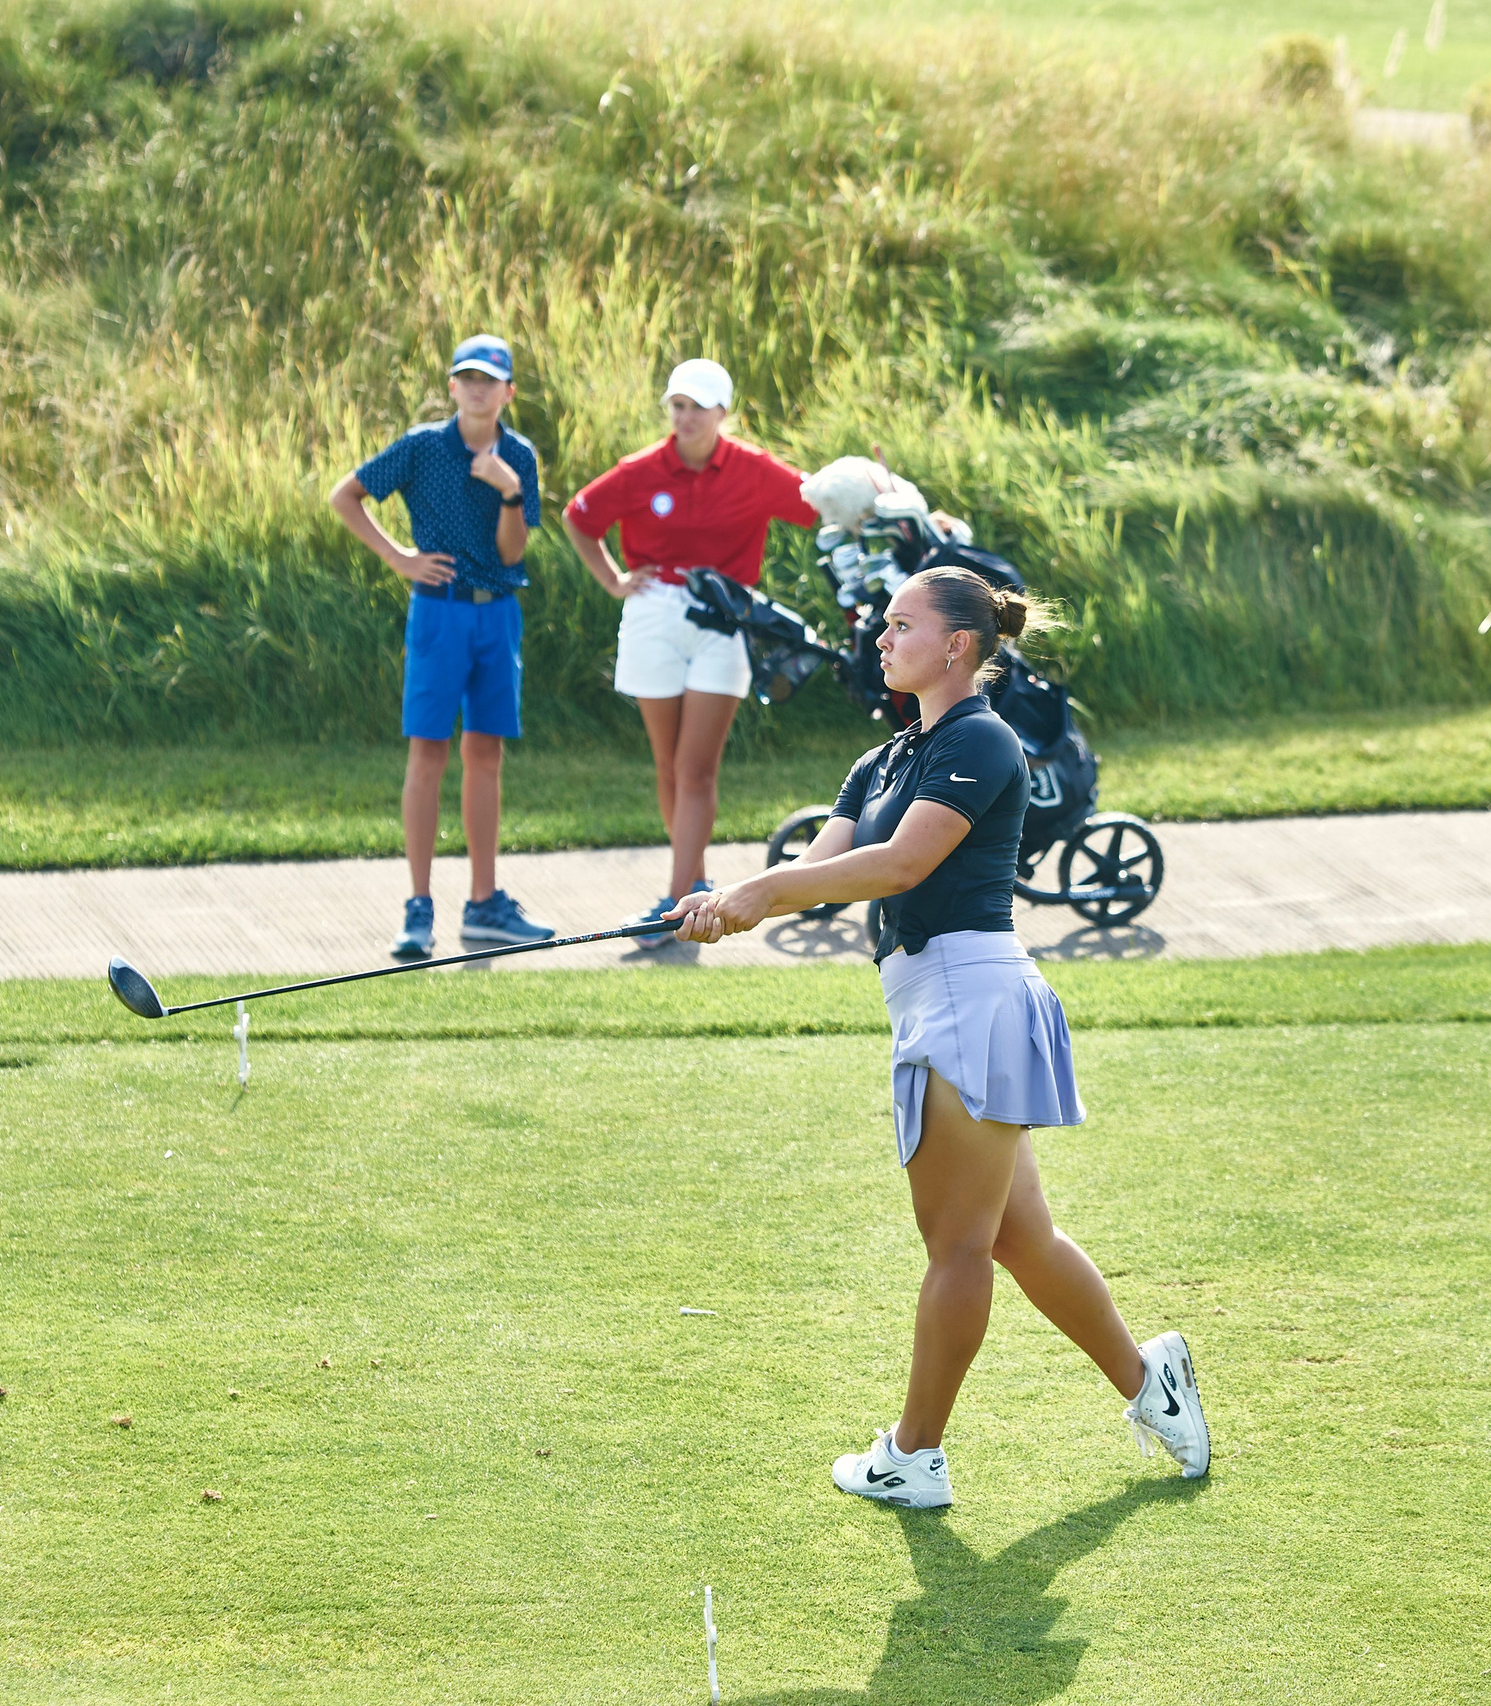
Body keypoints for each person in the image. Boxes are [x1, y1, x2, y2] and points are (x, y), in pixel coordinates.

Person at [671, 566, 1210, 1507]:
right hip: (937, 1000)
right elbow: (823, 867)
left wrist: (760, 895)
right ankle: (1149, 1379)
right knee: (1019, 1236)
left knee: (957, 1245)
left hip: (972, 997)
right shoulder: (880, 761)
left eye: (899, 625)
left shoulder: (984, 741)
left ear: (957, 645)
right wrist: (730, 904)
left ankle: (914, 1456)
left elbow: (905, 862)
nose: (880, 640)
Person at [561, 359, 818, 928]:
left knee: (695, 767)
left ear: (722, 413)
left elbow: (816, 504)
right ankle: (695, 881)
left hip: (724, 621)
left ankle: (675, 902)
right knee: (668, 764)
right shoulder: (641, 469)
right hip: (653, 612)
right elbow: (579, 517)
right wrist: (612, 580)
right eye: (678, 405)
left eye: (698, 407)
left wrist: (876, 487)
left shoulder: (752, 468)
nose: (686, 417)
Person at [330, 334, 556, 960]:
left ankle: (484, 905)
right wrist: (399, 558)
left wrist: (509, 489)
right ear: (453, 387)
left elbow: (513, 552)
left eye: (491, 379)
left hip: (497, 615)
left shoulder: (519, 454)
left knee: (485, 754)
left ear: (508, 391)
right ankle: (418, 907)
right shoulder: (423, 445)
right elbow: (345, 496)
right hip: (438, 615)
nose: (478, 388)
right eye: (467, 378)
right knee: (427, 753)